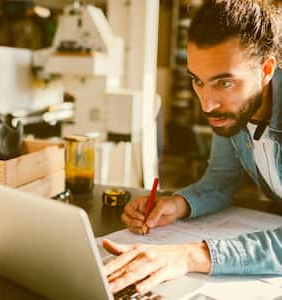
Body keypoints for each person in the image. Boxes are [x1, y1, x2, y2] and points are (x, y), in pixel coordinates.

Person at [103, 0, 282, 294]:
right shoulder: (230, 112)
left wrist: (191, 255)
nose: (207, 104)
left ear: (266, 70)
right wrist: (177, 204)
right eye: (198, 81)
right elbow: (221, 180)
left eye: (224, 83)